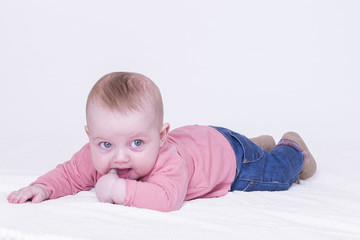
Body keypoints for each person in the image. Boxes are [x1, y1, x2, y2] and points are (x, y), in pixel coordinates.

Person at [7, 72, 317, 212]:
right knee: (246, 148)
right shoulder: (101, 152)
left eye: (137, 143)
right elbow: (69, 174)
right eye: (106, 145)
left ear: (162, 136)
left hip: (232, 163)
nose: (120, 158)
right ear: (90, 137)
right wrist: (43, 187)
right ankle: (254, 144)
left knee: (275, 176)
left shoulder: (170, 160)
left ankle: (290, 148)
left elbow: (167, 198)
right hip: (210, 141)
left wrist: (118, 190)